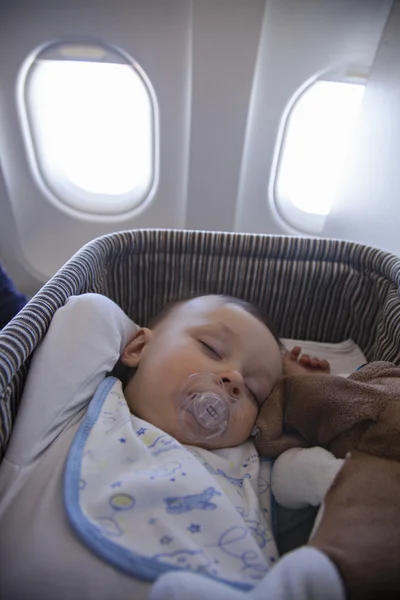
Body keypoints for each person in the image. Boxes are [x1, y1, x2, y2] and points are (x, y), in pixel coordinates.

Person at [0, 293, 340, 600]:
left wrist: (300, 392)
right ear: (135, 348)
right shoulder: (75, 411)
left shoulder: (248, 461)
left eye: (254, 391)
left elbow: (312, 503)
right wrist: (146, 340)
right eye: (211, 348)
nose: (234, 379)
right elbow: (91, 313)